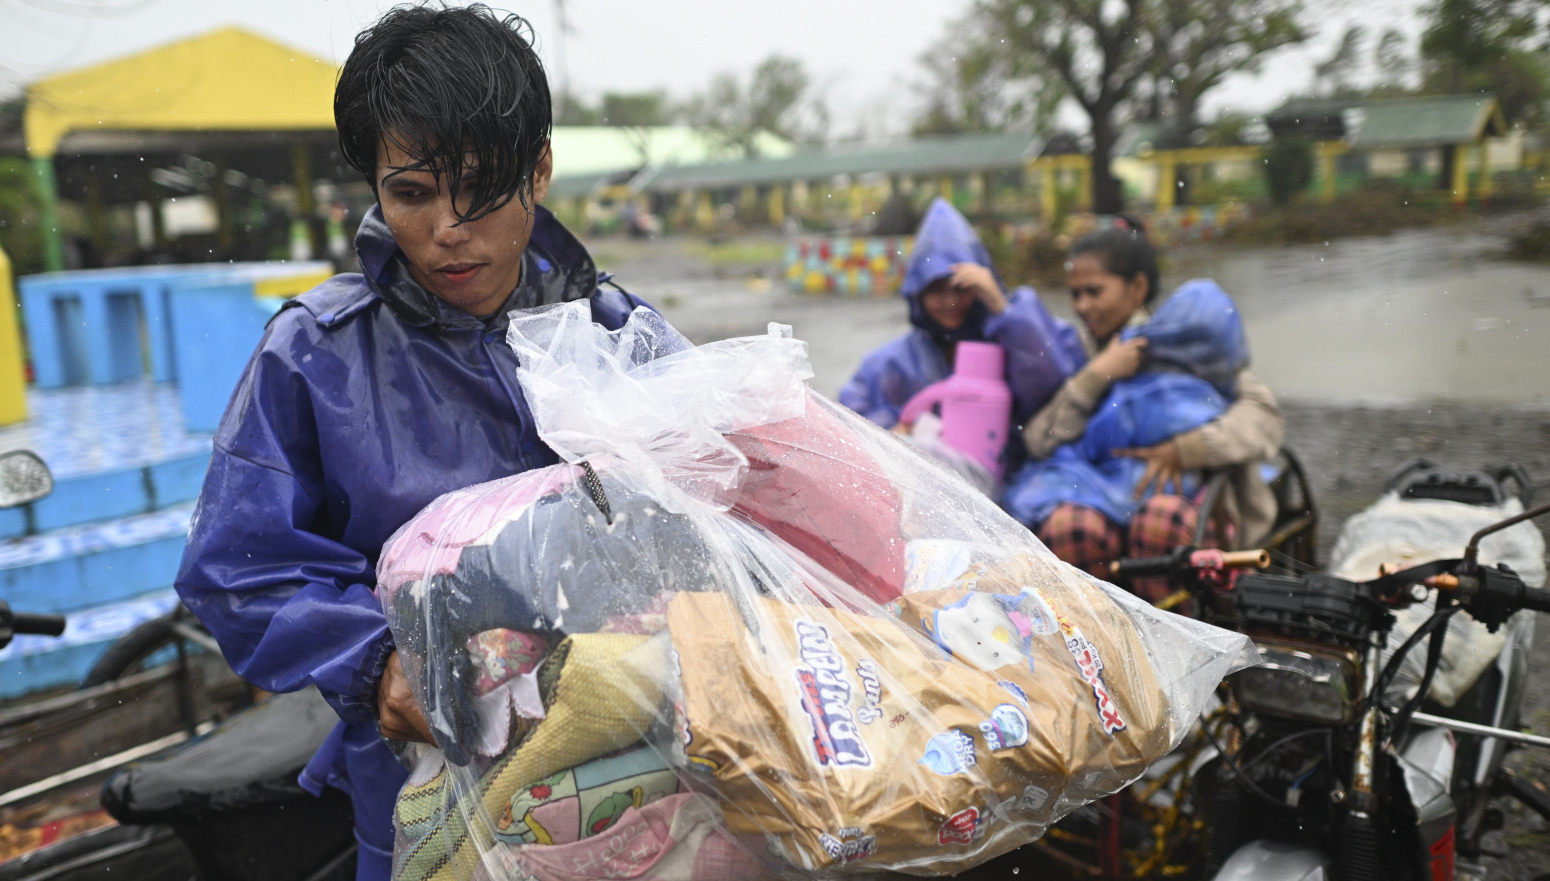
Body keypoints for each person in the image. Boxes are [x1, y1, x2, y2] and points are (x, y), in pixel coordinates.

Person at [172, 7, 650, 879]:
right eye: (413, 192)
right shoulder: (314, 353)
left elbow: (730, 507)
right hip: (422, 784)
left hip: (638, 763)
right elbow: (237, 567)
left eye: (481, 186)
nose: (448, 228)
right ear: (376, 189)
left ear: (539, 169)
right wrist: (378, 664)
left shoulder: (619, 331)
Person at [1016, 219, 1283, 600]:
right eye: (1074, 294)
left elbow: (1264, 417)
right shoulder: (1077, 353)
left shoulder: (1189, 346)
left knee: (1160, 524)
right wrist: (1096, 377)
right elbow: (1040, 443)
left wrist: (1187, 449)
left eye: (1094, 292)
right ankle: (1095, 642)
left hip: (1186, 504)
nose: (1081, 306)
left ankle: (1182, 643)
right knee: (1068, 528)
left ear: (1137, 288)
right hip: (1098, 500)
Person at [837, 198, 1080, 461]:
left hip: (1004, 476)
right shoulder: (889, 362)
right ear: (917, 294)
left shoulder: (1022, 334)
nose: (950, 302)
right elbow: (849, 418)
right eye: (936, 289)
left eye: (961, 287)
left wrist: (1001, 306)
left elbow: (1052, 386)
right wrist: (895, 430)